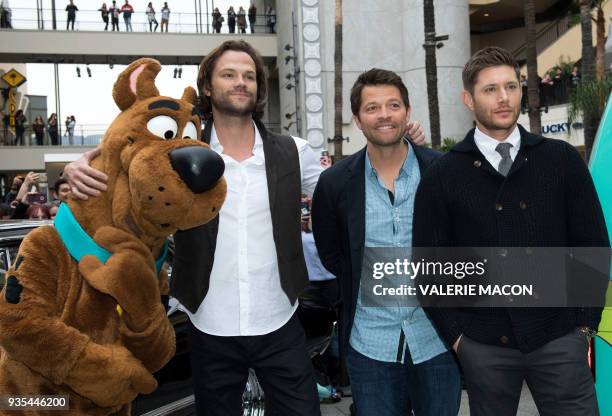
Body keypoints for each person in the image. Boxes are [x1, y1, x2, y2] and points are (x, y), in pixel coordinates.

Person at [62, 40, 426, 415]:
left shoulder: (294, 151)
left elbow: (353, 186)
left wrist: (402, 147)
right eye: (229, 74)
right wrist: (76, 166)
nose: (241, 82)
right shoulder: (177, 155)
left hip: (280, 322)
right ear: (207, 86)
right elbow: (125, 156)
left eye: (249, 76)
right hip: (206, 324)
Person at [413, 46, 609, 416]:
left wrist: (584, 324)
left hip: (559, 337)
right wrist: (458, 338)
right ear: (468, 99)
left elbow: (592, 244)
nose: (504, 98)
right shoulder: (443, 176)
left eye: (511, 86)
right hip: (484, 345)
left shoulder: (561, 160)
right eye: (490, 89)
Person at [311, 68, 461, 416]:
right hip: (370, 347)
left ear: (407, 112)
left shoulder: (442, 172)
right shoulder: (335, 183)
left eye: (393, 105)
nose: (384, 115)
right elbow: (334, 254)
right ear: (357, 119)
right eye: (372, 107)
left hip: (437, 341)